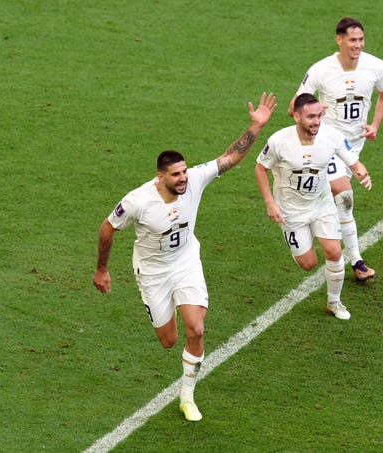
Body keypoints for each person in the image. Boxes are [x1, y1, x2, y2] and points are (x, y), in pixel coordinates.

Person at [93, 92, 277, 422]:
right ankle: (169, 310)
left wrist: (255, 127)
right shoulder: (137, 201)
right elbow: (108, 228)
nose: (183, 178)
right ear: (160, 176)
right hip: (152, 272)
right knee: (168, 340)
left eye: (184, 172)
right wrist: (102, 269)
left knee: (196, 329)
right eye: (176, 175)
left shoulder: (194, 180)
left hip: (186, 262)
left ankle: (187, 397)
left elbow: (228, 158)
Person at [288, 16, 383, 282]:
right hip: (326, 144)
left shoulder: (376, 66)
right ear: (339, 40)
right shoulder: (321, 70)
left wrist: (375, 124)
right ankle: (356, 261)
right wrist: (313, 113)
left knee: (333, 200)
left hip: (354, 145)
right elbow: (294, 107)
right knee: (344, 195)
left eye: (361, 40)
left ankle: (310, 223)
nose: (358, 45)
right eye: (352, 40)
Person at [255, 93, 372, 321]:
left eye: (319, 116)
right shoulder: (279, 141)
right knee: (308, 264)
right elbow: (260, 168)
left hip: (321, 203)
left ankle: (334, 302)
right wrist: (270, 203)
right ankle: (299, 239)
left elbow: (353, 161)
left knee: (334, 251)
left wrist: (360, 172)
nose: (316, 121)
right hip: (290, 211)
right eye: (310, 117)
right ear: (297, 117)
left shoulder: (331, 136)